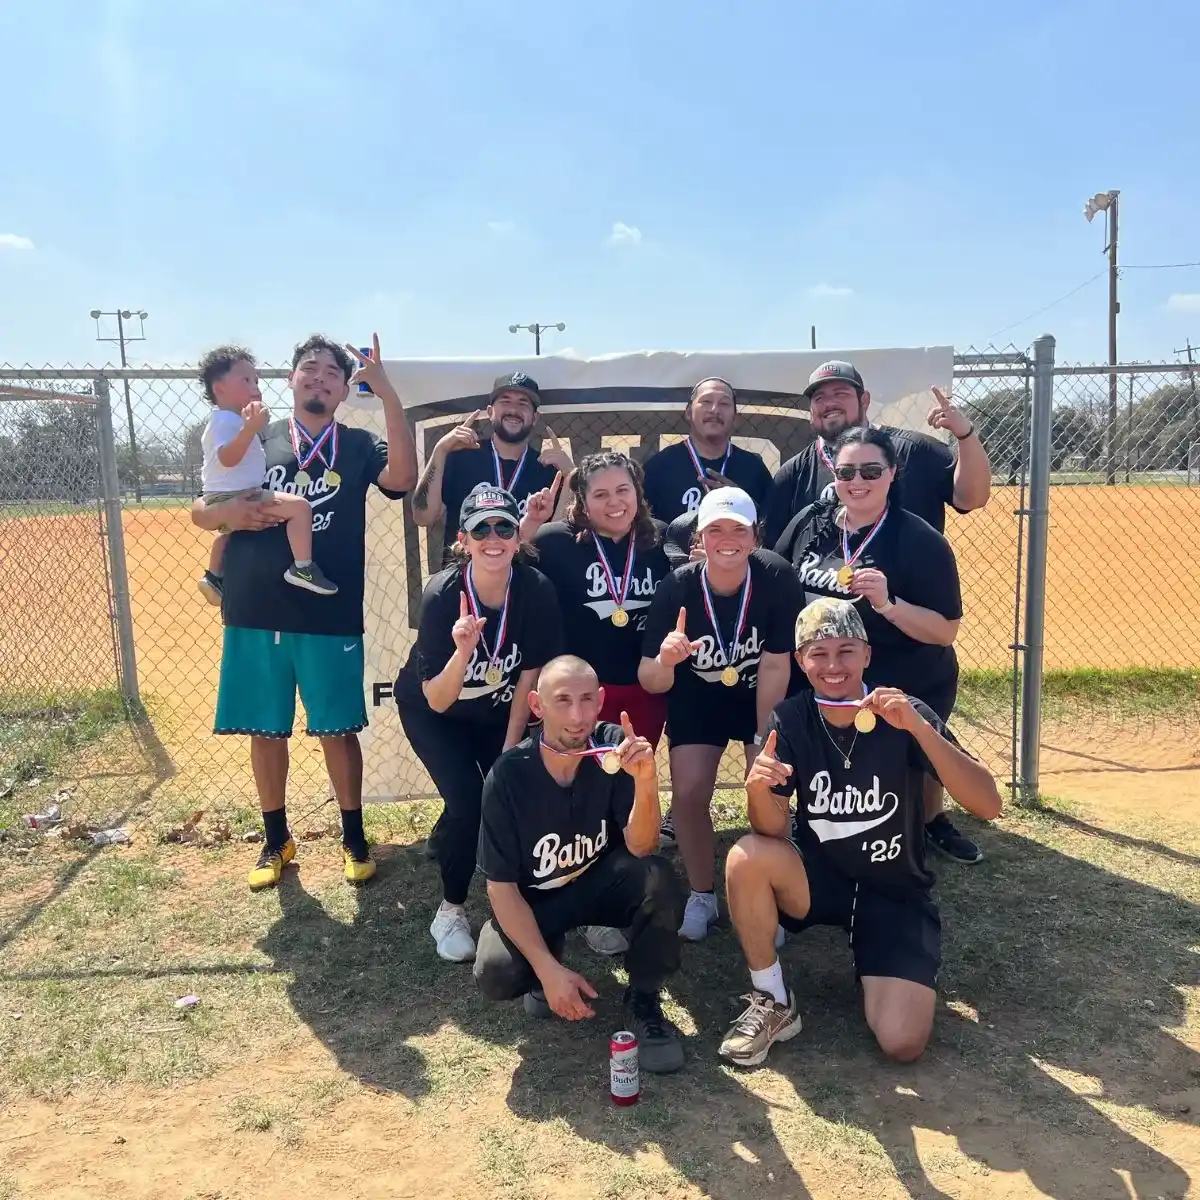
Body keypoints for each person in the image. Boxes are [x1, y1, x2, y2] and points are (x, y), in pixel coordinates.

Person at [717, 598, 1002, 1068]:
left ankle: (878, 959)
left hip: (893, 888)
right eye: (818, 653)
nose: (833, 666)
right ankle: (772, 1000)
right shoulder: (790, 718)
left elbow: (988, 804)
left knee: (902, 1043)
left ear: (867, 655)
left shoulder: (901, 711)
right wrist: (758, 791)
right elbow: (769, 830)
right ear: (800, 661)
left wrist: (919, 729)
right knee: (746, 856)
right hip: (818, 880)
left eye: (846, 651)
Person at [190, 333, 417, 890]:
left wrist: (388, 396)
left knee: (337, 730)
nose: (319, 378)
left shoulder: (359, 444)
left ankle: (354, 837)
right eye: (308, 369)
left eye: (331, 374)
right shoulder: (253, 433)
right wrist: (224, 518)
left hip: (328, 607)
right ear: (290, 379)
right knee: (266, 731)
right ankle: (276, 840)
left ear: (344, 389)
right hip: (255, 605)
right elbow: (202, 504)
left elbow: (403, 481)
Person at [773, 425, 980, 864]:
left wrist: (888, 604)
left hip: (904, 676)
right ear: (833, 473)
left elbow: (944, 631)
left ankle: (925, 826)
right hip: (827, 677)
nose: (858, 482)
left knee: (904, 782)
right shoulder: (811, 523)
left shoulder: (919, 540)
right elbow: (775, 572)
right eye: (847, 472)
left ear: (892, 473)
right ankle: (822, 830)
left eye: (871, 470)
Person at [474, 655, 686, 1074]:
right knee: (496, 973)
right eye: (563, 700)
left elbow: (642, 847)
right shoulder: (509, 775)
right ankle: (545, 968)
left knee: (659, 879)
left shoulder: (613, 746)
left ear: (601, 700)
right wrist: (547, 970)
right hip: (538, 900)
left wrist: (646, 783)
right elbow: (500, 887)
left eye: (587, 700)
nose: (577, 716)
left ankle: (643, 999)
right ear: (537, 706)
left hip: (600, 885)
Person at [393, 484, 563, 963]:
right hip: (436, 712)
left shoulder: (535, 588)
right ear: (463, 540)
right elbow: (437, 698)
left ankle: (527, 896)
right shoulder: (442, 595)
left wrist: (510, 748)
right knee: (469, 804)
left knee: (508, 791)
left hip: (494, 709)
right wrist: (464, 651)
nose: (494, 537)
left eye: (504, 526)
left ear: (516, 536)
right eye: (481, 528)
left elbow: (530, 674)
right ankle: (450, 910)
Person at [638, 487, 803, 941]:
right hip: (698, 697)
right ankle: (702, 894)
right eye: (715, 530)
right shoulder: (679, 586)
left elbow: (774, 662)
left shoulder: (776, 576)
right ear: (700, 536)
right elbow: (650, 678)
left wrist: (763, 736)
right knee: (689, 793)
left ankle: (770, 893)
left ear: (754, 536)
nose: (727, 539)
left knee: (765, 789)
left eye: (738, 529)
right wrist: (667, 661)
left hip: (757, 692)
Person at [528, 450, 674, 958]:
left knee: (624, 789)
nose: (614, 503)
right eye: (600, 494)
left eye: (623, 491)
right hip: (579, 696)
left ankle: (616, 894)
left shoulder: (659, 544)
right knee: (575, 793)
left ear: (638, 493)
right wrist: (524, 528)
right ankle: (564, 893)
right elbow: (506, 567)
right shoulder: (555, 543)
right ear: (582, 503)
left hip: (638, 691)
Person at [761, 360, 992, 550]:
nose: (829, 403)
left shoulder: (914, 450)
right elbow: (776, 548)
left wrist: (965, 435)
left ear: (864, 401)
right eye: (819, 398)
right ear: (811, 412)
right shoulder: (793, 472)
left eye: (841, 393)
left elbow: (971, 499)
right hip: (824, 599)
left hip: (905, 600)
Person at [195, 345, 337, 604]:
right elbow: (227, 458)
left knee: (229, 535)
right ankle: (303, 567)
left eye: (256, 381)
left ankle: (214, 577)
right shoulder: (225, 421)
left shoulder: (232, 421)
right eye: (246, 380)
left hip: (230, 495)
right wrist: (250, 430)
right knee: (301, 509)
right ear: (220, 388)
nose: (255, 387)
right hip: (238, 495)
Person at [409, 370, 574, 562]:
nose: (513, 409)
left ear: (535, 417)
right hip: (463, 578)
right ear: (490, 412)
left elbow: (557, 538)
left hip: (524, 582)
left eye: (523, 403)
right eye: (505, 401)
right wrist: (440, 450)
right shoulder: (461, 459)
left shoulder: (546, 470)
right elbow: (423, 516)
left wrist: (570, 474)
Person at [641, 377, 773, 523]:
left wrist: (742, 501)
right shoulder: (659, 467)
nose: (715, 410)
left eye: (724, 403)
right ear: (689, 412)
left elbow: (772, 526)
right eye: (706, 402)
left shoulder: (753, 468)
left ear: (735, 417)